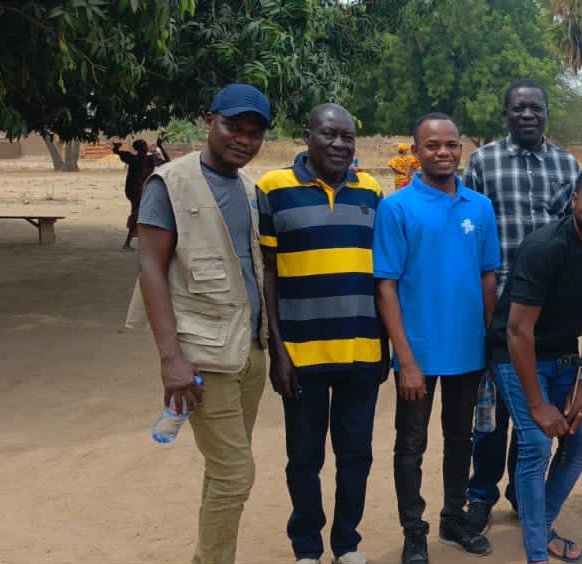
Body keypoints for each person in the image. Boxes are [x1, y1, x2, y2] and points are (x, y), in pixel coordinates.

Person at [127, 83, 272, 564]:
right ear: (210, 121)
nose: (244, 140)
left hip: (249, 352)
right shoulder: (169, 183)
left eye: (254, 133)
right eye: (234, 127)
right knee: (235, 473)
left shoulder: (250, 189)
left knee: (224, 469)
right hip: (202, 356)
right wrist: (171, 359)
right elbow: (150, 267)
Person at [257, 103, 387, 564]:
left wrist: (384, 348)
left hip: (362, 351)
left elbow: (381, 276)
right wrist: (277, 351)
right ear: (307, 136)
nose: (339, 144)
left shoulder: (371, 191)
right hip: (301, 354)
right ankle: (307, 549)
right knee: (304, 458)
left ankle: (347, 544)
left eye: (347, 136)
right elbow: (269, 273)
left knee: (356, 456)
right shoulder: (273, 188)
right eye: (329, 134)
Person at [373, 113, 502, 564]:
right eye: (432, 145)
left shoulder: (479, 207)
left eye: (451, 144)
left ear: (461, 149)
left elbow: (488, 277)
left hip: (468, 349)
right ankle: (414, 531)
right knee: (411, 445)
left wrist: (490, 342)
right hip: (419, 353)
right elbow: (386, 287)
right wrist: (405, 359)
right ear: (416, 151)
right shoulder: (397, 208)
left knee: (461, 438)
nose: (443, 152)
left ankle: (453, 517)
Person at [489, 164, 582, 564]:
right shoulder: (544, 248)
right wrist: (537, 405)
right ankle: (537, 553)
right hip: (516, 353)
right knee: (536, 443)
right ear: (574, 201)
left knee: (579, 440)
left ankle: (540, 525)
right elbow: (518, 331)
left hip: (565, 355)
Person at [461, 78, 581, 537]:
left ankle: (519, 491)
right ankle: (480, 495)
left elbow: (573, 234)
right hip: (498, 304)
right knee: (493, 408)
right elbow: (471, 232)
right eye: (518, 108)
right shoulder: (483, 162)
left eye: (536, 108)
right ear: (506, 114)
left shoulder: (567, 165)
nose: (527, 114)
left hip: (547, 311)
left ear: (547, 113)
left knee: (535, 404)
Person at [114, 137, 168, 249]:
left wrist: (117, 147)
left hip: (133, 190)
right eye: (145, 146)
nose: (146, 148)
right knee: (138, 214)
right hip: (138, 190)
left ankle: (139, 241)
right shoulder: (150, 159)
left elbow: (117, 152)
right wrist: (161, 147)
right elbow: (168, 162)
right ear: (143, 148)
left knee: (140, 213)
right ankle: (128, 243)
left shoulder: (132, 158)